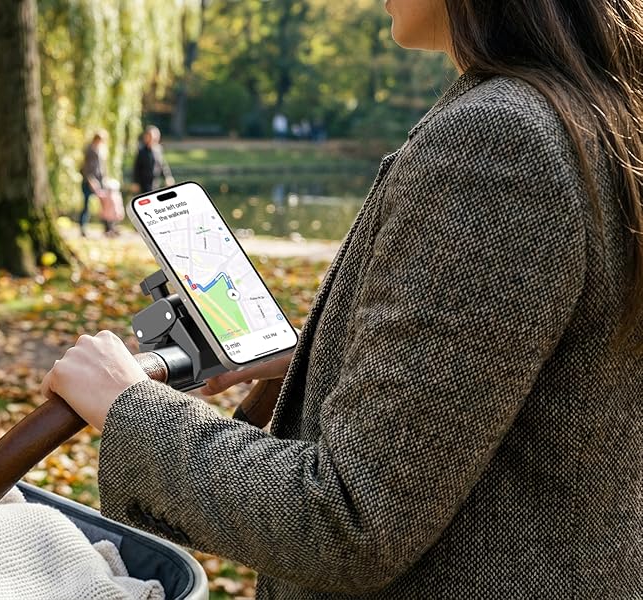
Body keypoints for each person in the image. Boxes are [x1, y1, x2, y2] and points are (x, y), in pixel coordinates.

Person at [42, 0, 643, 597]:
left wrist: (128, 406)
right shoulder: (598, 118)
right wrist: (327, 354)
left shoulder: (502, 137)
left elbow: (350, 519)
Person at [79, 130, 113, 237]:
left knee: (105, 203)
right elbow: (85, 168)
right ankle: (83, 228)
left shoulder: (102, 150)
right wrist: (90, 180)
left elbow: (103, 167)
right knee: (86, 205)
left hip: (100, 180)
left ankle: (108, 228)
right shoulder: (89, 150)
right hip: (89, 181)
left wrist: (105, 178)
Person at [133, 126, 175, 195]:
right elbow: (136, 168)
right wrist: (135, 182)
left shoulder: (158, 149)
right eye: (149, 136)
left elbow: (163, 165)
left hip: (155, 182)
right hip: (144, 183)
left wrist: (168, 177)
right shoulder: (141, 151)